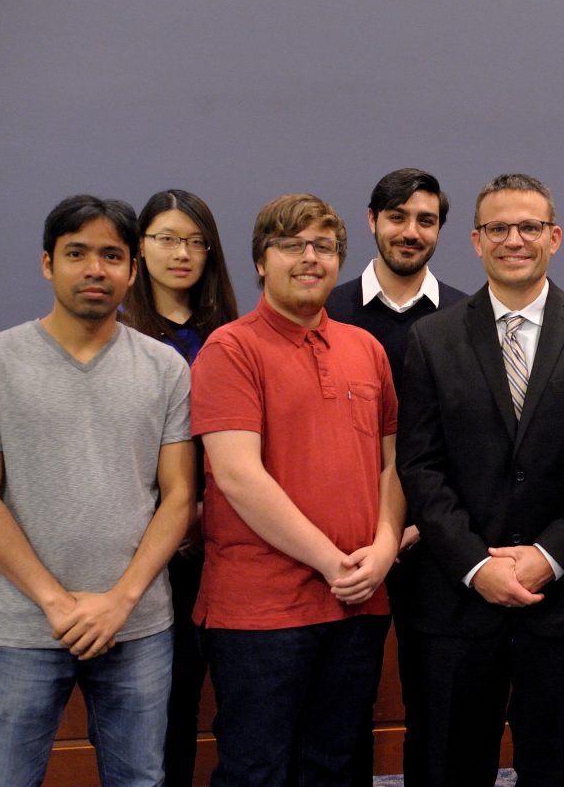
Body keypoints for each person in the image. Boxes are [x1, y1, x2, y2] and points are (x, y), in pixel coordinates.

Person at [397, 173, 564, 787]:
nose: (514, 239)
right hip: (457, 600)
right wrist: (478, 565)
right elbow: (420, 467)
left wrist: (547, 556)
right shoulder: (431, 337)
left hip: (560, 601)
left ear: (555, 237)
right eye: (498, 228)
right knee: (449, 763)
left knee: (555, 765)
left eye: (529, 227)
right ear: (476, 241)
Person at [0, 194, 196, 786]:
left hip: (136, 624)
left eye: (112, 256)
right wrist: (57, 602)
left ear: (132, 270)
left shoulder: (165, 369)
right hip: (25, 625)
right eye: (76, 253)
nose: (94, 269)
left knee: (140, 780)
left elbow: (180, 496)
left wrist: (120, 600)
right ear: (46, 263)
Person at [191, 193, 404, 786]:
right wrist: (330, 560)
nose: (310, 258)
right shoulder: (230, 349)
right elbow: (237, 475)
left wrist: (385, 547)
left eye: (325, 247)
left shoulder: (367, 349)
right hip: (260, 611)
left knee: (336, 766)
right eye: (292, 245)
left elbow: (393, 466)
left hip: (358, 600)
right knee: (257, 769)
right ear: (261, 260)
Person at [324, 167, 465, 784]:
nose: (412, 232)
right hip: (344, 549)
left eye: (426, 220)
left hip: (438, 549)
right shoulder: (326, 311)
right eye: (399, 217)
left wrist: (418, 529)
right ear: (372, 221)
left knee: (439, 707)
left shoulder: (469, 314)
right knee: (341, 709)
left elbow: (474, 442)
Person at [122, 188, 239, 786]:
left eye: (196, 241)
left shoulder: (233, 336)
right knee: (161, 703)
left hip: (227, 536)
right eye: (167, 238)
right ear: (140, 248)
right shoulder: (118, 336)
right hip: (147, 541)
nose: (182, 254)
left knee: (223, 697)